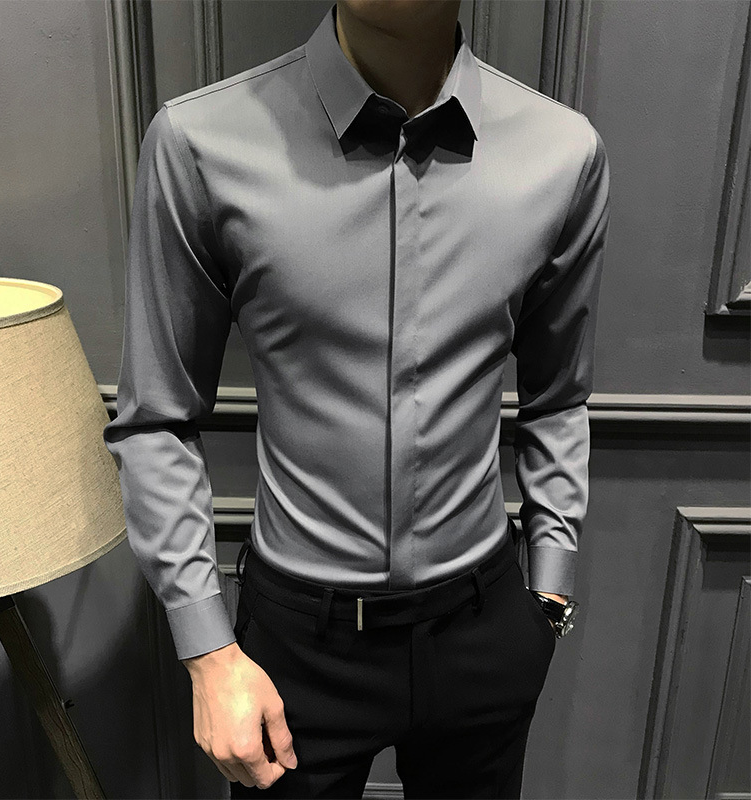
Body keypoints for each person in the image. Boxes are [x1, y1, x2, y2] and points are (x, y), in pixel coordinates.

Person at [102, 0, 611, 797]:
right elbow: (155, 419)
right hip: (296, 651)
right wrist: (208, 653)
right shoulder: (200, 143)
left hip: (483, 631)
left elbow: (557, 398)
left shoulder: (562, 152)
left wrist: (547, 595)